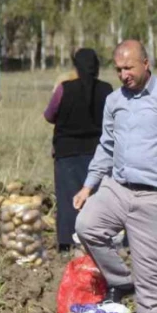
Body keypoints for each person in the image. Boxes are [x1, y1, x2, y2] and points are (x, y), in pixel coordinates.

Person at [73, 40, 157, 313]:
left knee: (151, 278)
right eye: (119, 70)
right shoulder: (114, 101)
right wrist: (89, 185)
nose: (124, 75)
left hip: (155, 195)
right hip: (117, 188)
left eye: (129, 68)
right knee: (86, 226)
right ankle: (122, 281)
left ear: (146, 63)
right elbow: (106, 145)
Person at [44, 48, 113, 252]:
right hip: (99, 153)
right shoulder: (106, 90)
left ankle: (67, 242)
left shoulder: (64, 89)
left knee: (68, 199)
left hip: (67, 154)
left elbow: (49, 115)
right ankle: (98, 239)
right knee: (97, 197)